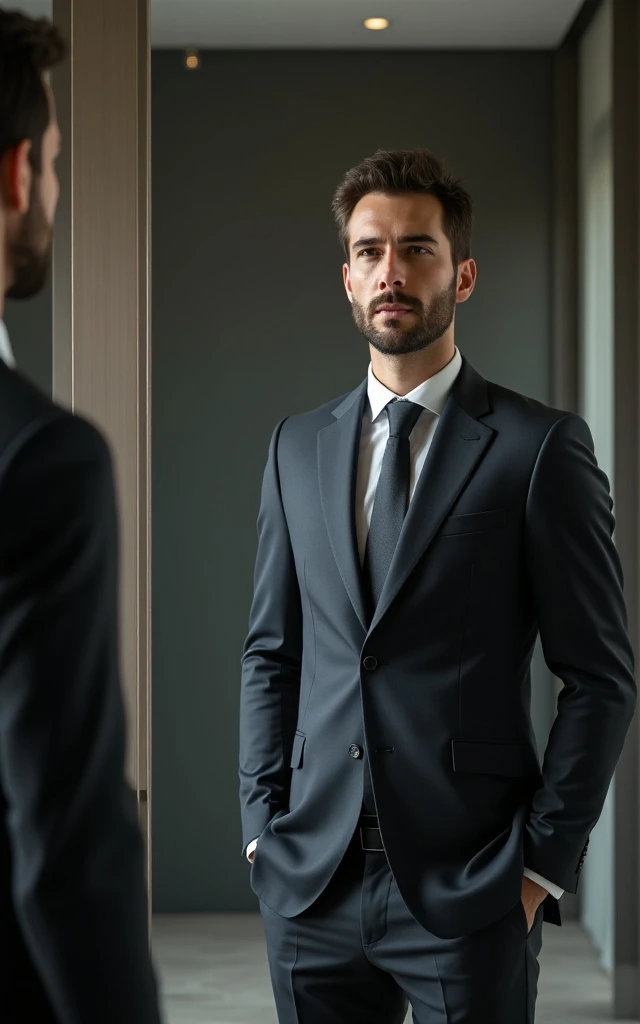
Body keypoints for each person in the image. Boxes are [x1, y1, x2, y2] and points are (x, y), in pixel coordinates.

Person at [239, 147, 637, 1023]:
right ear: (347, 278)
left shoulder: (540, 448)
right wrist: (262, 830)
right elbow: (273, 650)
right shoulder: (295, 449)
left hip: (474, 887)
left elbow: (601, 679)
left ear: (462, 276)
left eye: (417, 249)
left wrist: (539, 867)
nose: (392, 272)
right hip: (311, 885)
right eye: (371, 251)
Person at [0, 10, 161, 1023]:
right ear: (16, 173)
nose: (54, 188)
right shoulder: (40, 461)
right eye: (54, 162)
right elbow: (67, 848)